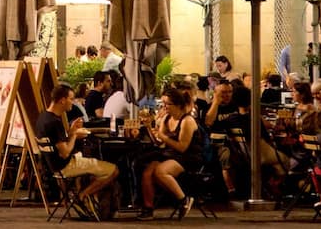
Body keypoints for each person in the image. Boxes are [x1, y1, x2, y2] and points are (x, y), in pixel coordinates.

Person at [34, 85, 118, 216]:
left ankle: (89, 200)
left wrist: (71, 131)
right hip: (66, 165)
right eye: (71, 99)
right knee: (113, 170)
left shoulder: (43, 118)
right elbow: (65, 152)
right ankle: (83, 196)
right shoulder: (54, 122)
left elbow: (58, 141)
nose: (73, 102)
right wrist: (74, 135)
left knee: (95, 166)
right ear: (62, 100)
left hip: (53, 166)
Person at [136, 88, 203, 221]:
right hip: (169, 154)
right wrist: (149, 128)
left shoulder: (187, 121)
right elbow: (159, 142)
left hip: (188, 157)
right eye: (163, 103)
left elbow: (182, 147)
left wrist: (163, 137)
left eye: (167, 104)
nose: (164, 107)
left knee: (160, 171)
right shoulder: (167, 118)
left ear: (178, 105)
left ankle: (183, 199)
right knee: (147, 172)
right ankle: (148, 208)